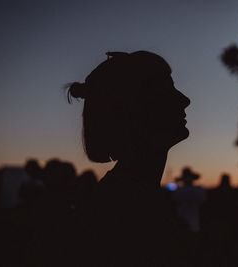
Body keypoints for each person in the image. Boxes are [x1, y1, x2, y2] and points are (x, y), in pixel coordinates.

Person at [66, 51, 192, 266]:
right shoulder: (121, 210)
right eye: (167, 90)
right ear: (133, 110)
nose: (185, 100)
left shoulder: (130, 195)